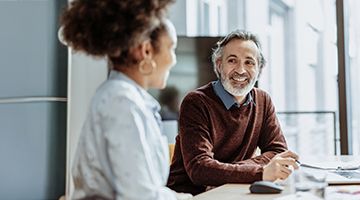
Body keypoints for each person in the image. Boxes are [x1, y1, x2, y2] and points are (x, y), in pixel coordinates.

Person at [60, 0, 191, 199]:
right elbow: (140, 196)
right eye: (171, 48)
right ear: (146, 51)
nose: (173, 59)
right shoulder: (122, 102)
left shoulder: (125, 97)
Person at [168, 30, 299, 195]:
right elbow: (199, 168)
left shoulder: (263, 100)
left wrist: (227, 174)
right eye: (232, 60)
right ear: (218, 65)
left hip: (236, 189)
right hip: (191, 195)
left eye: (249, 62)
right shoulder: (196, 102)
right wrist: (261, 172)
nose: (241, 70)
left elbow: (278, 152)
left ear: (259, 69)